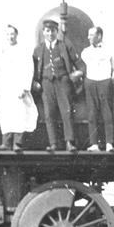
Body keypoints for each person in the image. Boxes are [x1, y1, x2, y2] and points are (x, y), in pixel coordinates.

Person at [32, 19, 85, 152]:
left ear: (57, 32)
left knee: (66, 112)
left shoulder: (65, 46)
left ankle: (69, 142)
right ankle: (54, 143)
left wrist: (78, 73)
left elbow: (80, 64)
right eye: (48, 31)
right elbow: (32, 69)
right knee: (49, 114)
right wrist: (35, 82)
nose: (50, 34)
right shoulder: (38, 49)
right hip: (46, 84)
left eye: (53, 31)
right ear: (43, 32)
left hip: (63, 82)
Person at [0, 25, 37, 153]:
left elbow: (29, 69)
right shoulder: (2, 50)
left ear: (16, 35)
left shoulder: (23, 50)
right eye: (8, 34)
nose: (10, 37)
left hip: (18, 86)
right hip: (5, 87)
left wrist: (25, 87)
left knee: (19, 113)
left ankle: (17, 143)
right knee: (6, 114)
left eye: (12, 34)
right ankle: (5, 143)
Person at [81, 26, 114, 152]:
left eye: (91, 35)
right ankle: (94, 144)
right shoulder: (85, 52)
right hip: (90, 82)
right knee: (92, 113)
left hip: (105, 82)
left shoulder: (110, 50)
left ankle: (109, 143)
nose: (88, 37)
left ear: (99, 36)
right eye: (88, 34)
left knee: (107, 114)